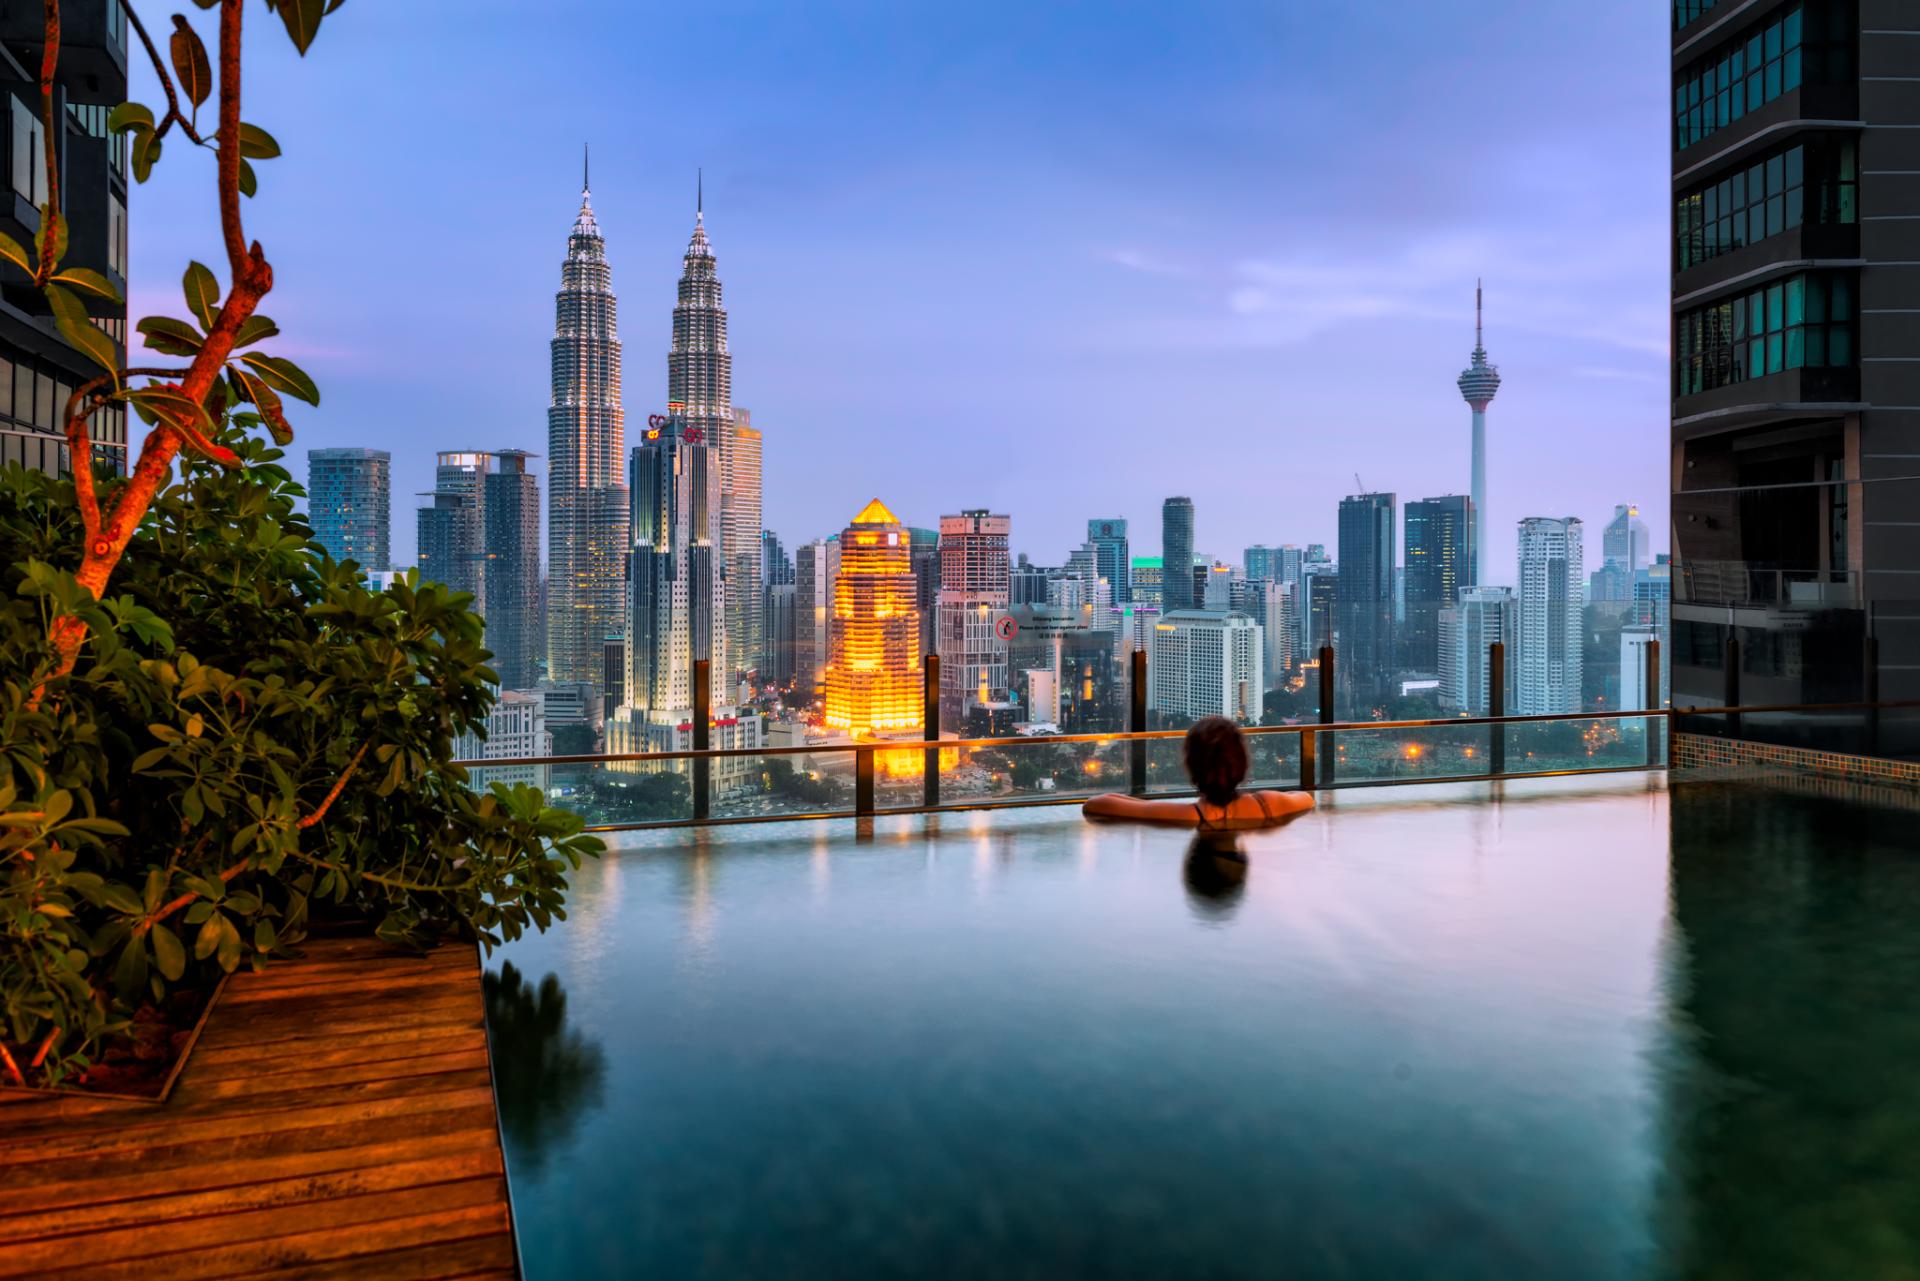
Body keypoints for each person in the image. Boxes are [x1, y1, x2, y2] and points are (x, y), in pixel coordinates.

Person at [1082, 716, 1315, 828]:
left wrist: (1144, 806)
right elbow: (1305, 799)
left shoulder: (1186, 815)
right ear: (1242, 765)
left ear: (1192, 768)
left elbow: (1095, 804)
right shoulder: (1268, 804)